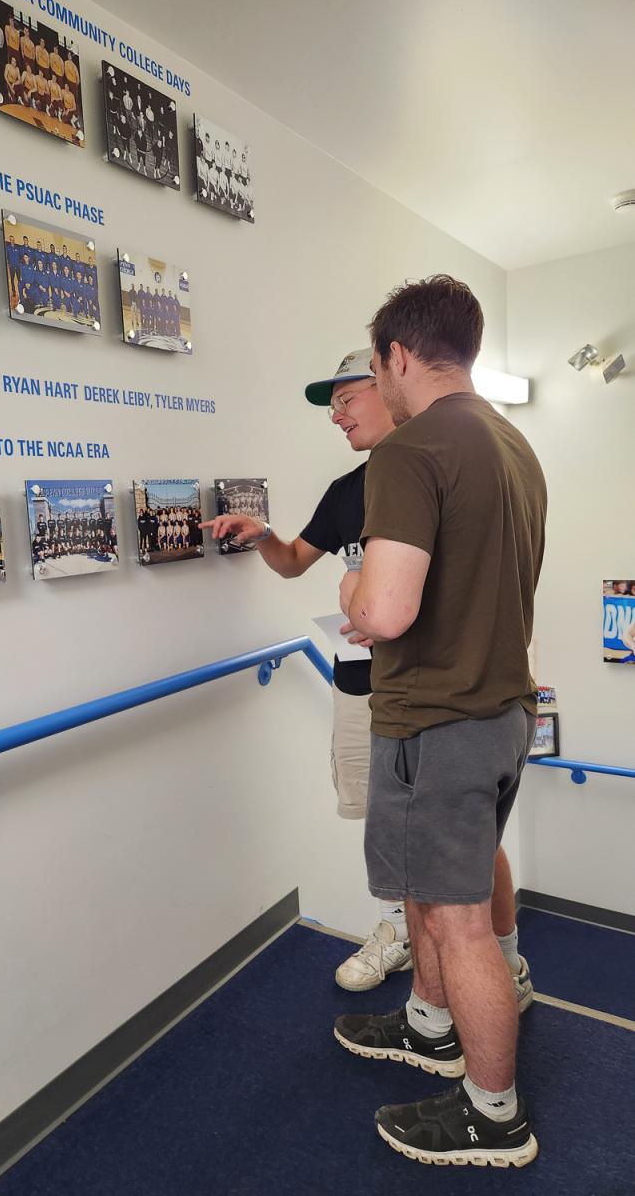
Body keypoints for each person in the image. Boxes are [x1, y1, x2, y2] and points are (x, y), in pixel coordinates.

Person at [200, 348, 533, 1008]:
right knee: (401, 839)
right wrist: (264, 535)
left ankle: (489, 970)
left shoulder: (439, 463)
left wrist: (360, 595)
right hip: (370, 686)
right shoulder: (353, 488)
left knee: (462, 860)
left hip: (439, 700)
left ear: (390, 381)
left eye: (347, 399)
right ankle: (422, 959)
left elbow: (385, 607)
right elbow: (295, 561)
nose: (336, 415)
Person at [333, 276, 546, 1168]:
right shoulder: (513, 442)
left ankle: (493, 1116)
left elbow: (380, 611)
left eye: (375, 370)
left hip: (438, 723)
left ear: (399, 358)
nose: (372, 391)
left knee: (458, 921)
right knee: (432, 894)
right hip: (500, 711)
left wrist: (350, 585)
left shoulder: (410, 451)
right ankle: (427, 1024)